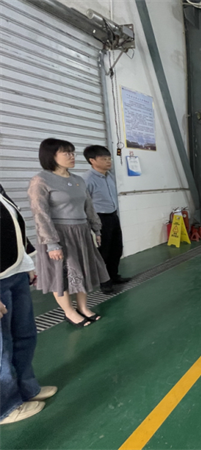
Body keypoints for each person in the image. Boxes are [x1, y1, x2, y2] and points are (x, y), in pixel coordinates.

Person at [28, 138, 108, 327]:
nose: (72, 156)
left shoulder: (78, 180)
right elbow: (40, 213)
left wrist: (96, 228)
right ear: (51, 156)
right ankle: (69, 312)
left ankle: (83, 307)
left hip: (81, 232)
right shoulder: (41, 180)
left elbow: (88, 206)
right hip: (58, 235)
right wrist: (51, 243)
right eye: (66, 153)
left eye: (72, 152)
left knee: (82, 271)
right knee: (61, 275)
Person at [0, 184, 57, 424]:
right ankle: (5, 407)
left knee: (24, 335)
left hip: (14, 273)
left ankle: (27, 388)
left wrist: (27, 265)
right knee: (1, 347)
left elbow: (14, 229)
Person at [81, 145, 130, 294]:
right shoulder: (87, 179)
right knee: (104, 252)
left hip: (113, 215)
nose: (109, 161)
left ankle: (114, 276)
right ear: (92, 160)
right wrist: (93, 225)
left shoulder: (110, 176)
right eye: (104, 159)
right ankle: (105, 282)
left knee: (117, 248)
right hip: (100, 218)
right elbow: (84, 203)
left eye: (109, 158)